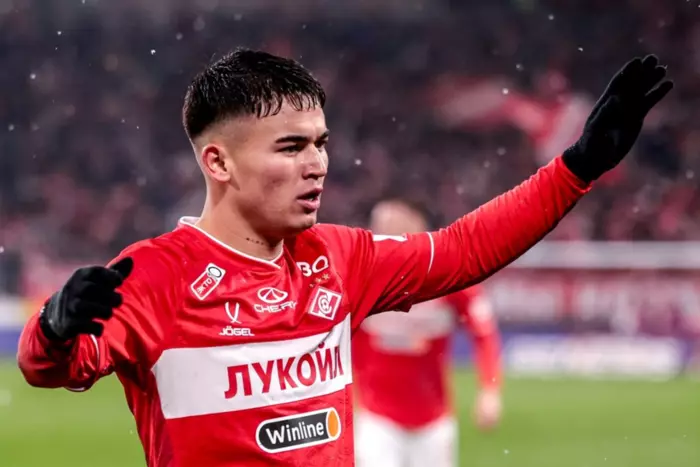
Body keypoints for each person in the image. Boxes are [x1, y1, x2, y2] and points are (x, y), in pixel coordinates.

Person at [16, 49, 672, 467]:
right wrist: (54, 329)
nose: (317, 164)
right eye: (291, 147)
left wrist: (576, 168)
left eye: (321, 143)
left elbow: (463, 250)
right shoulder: (157, 274)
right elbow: (55, 367)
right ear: (218, 162)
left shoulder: (340, 256)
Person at [353, 199, 502, 467]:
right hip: (377, 419)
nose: (382, 230)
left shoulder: (448, 274)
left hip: (433, 422)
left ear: (417, 222)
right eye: (379, 224)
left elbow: (484, 333)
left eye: (391, 222)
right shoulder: (360, 277)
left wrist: (489, 390)